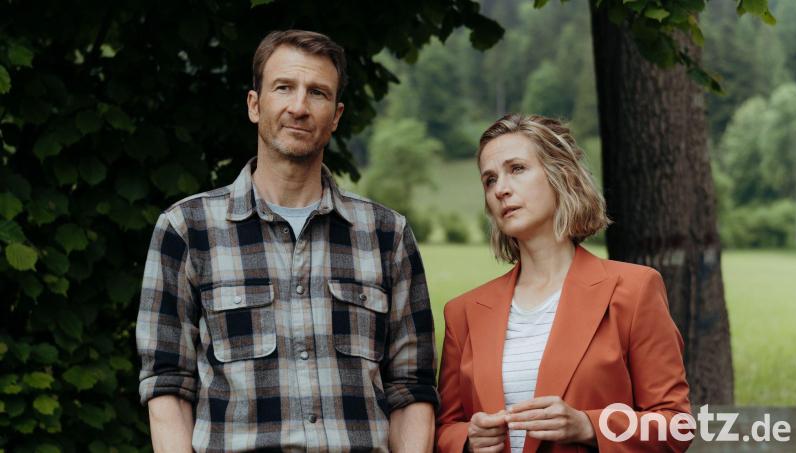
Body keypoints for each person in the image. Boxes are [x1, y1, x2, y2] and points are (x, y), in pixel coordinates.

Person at [136, 29, 438, 453]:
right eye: (284, 88)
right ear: (254, 105)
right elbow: (167, 384)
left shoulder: (387, 235)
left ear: (335, 116)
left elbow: (412, 386)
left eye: (317, 93)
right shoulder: (187, 229)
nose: (299, 106)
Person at [435, 114, 693, 453]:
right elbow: (443, 430)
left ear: (561, 176)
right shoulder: (463, 312)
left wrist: (590, 425)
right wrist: (466, 440)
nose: (501, 189)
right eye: (489, 180)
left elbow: (675, 424)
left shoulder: (634, 290)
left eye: (517, 169)